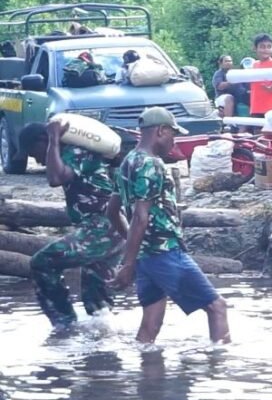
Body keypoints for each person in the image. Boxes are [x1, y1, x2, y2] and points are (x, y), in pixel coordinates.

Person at [112, 107, 230, 345]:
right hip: (164, 251)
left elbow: (112, 212)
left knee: (150, 326)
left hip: (147, 256)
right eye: (172, 135)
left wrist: (134, 253)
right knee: (217, 307)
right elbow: (141, 217)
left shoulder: (127, 162)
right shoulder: (151, 165)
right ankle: (220, 370)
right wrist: (128, 263)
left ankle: (147, 379)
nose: (173, 141)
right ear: (161, 131)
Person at [15, 120, 127, 327]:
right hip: (110, 230)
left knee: (42, 263)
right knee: (98, 306)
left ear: (43, 140)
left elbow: (55, 178)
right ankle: (101, 349)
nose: (39, 161)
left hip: (102, 229)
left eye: (35, 153)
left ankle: (64, 325)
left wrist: (54, 140)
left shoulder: (75, 153)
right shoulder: (73, 154)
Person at [248, 34, 272, 118]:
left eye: (269, 47)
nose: (266, 50)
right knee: (257, 131)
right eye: (262, 47)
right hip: (256, 107)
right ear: (255, 48)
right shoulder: (254, 65)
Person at [211, 55, 250, 119]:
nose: (229, 62)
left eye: (230, 61)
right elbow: (219, 86)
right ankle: (228, 123)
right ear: (221, 63)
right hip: (222, 97)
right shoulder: (219, 73)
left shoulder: (236, 72)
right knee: (229, 98)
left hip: (238, 96)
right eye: (226, 61)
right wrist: (232, 81)